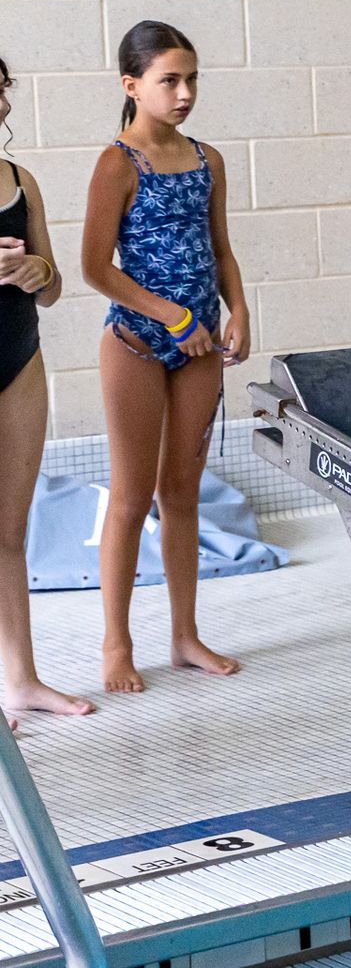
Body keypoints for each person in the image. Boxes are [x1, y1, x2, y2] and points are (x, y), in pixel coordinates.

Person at [81, 22, 248, 693]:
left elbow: (222, 247)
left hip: (201, 345)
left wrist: (237, 310)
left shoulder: (208, 159)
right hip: (138, 344)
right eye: (168, 81)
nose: (184, 93)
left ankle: (185, 635)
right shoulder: (118, 163)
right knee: (131, 498)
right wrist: (171, 315)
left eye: (192, 79)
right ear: (131, 85)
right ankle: (116, 644)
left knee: (182, 494)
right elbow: (96, 268)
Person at [0, 56, 94, 719]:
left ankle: (23, 680)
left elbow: (56, 287)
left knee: (9, 531)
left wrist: (38, 269)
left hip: (18, 362)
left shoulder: (19, 181)